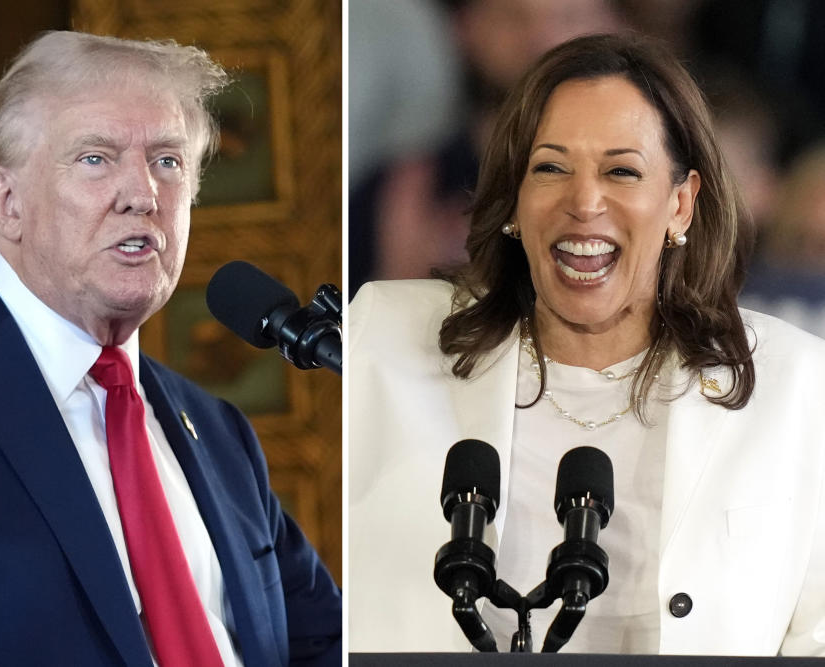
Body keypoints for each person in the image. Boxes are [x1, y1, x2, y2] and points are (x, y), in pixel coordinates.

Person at [0, 31, 341, 666]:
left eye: (168, 161)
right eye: (96, 158)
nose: (143, 194)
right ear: (6, 202)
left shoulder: (221, 433)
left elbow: (323, 643)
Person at [349, 33, 825, 655]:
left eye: (621, 171)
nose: (584, 202)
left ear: (681, 204)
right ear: (515, 200)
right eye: (550, 167)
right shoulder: (382, 339)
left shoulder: (794, 387)